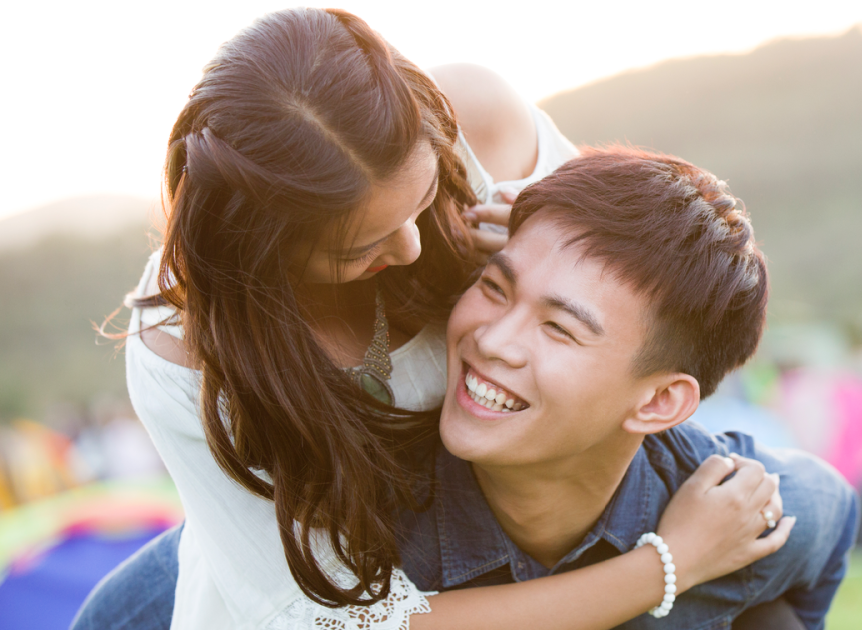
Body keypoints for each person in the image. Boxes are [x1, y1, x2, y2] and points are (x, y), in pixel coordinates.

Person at [74, 8, 792, 630]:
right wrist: (669, 566)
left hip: (482, 524)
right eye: (359, 248)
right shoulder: (185, 350)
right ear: (263, 253)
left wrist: (542, 240)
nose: (413, 246)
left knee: (807, 519)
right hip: (297, 562)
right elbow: (339, 619)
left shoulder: (481, 124)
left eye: (420, 203)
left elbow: (644, 315)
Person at [401, 147, 859, 630]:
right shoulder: (365, 503)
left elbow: (832, 510)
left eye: (558, 327)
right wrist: (664, 568)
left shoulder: (740, 509)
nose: (493, 341)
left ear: (659, 402)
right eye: (496, 287)